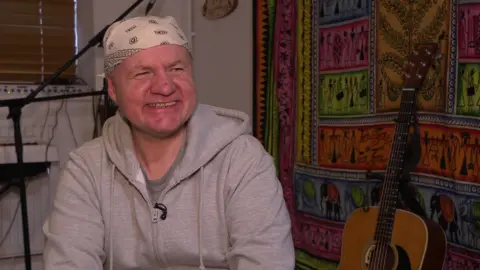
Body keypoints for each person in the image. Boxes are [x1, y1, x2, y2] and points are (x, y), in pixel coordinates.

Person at [43, 15, 295, 270]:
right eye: (142, 73)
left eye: (177, 69)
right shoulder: (87, 168)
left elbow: (268, 262)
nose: (164, 86)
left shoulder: (242, 160)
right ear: (112, 90)